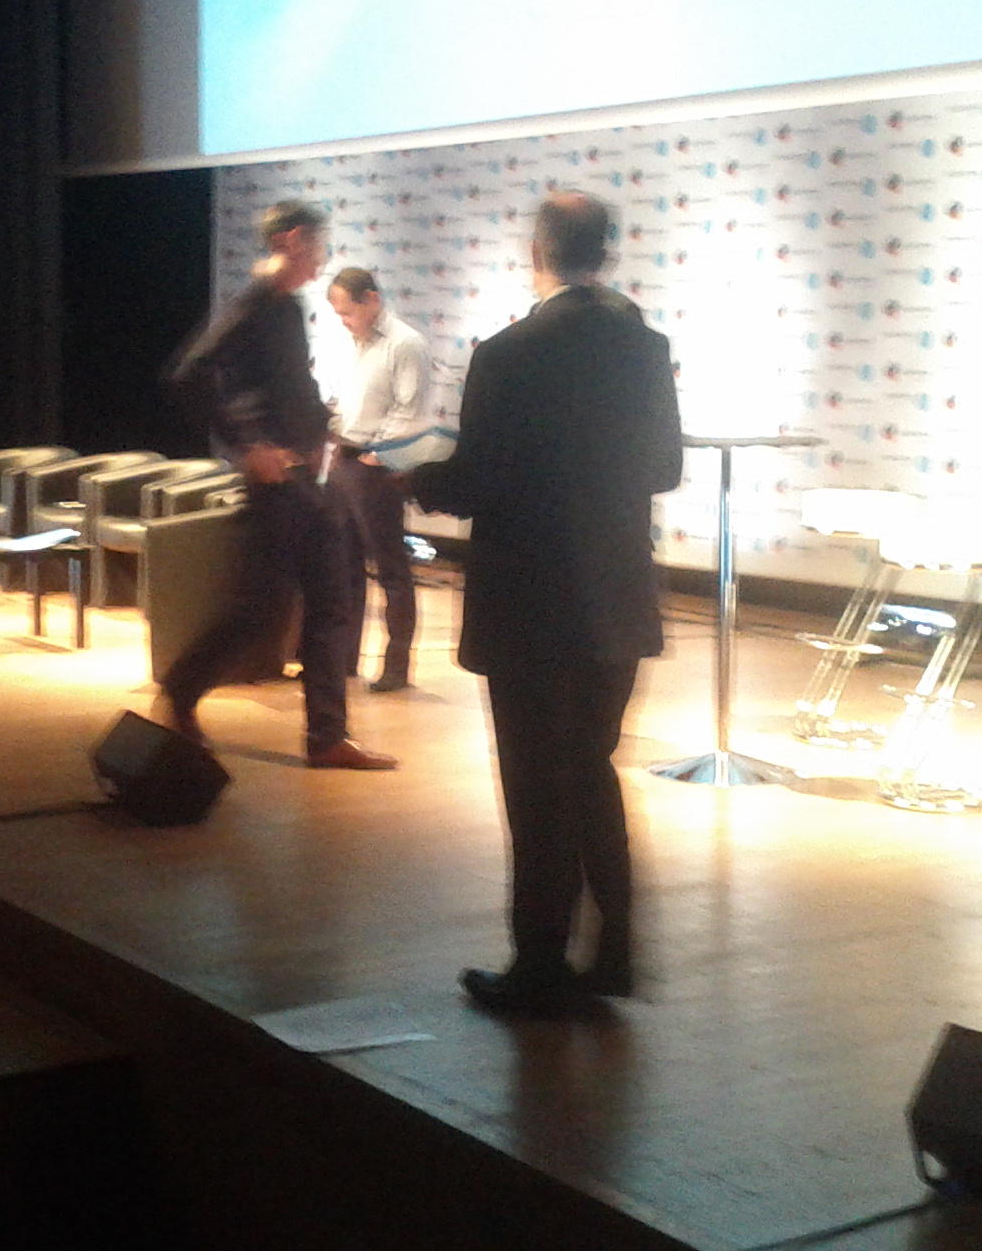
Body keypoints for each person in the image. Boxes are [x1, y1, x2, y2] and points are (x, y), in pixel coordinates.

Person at [411, 191, 684, 1013]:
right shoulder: (645, 347)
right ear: (605, 252)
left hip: (530, 598)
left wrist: (418, 481)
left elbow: (477, 481)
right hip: (615, 595)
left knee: (534, 785)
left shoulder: (507, 353)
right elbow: (665, 469)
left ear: (536, 252)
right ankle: (616, 952)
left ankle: (539, 966)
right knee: (592, 770)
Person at [157, 202, 398, 772]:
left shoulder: (288, 308)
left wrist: (321, 427)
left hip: (308, 484)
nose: (322, 257)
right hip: (276, 489)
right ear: (291, 240)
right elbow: (189, 373)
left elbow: (291, 383)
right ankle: (181, 690)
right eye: (317, 244)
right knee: (259, 612)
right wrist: (246, 446)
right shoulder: (255, 304)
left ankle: (327, 737)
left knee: (333, 604)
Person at [323, 267, 434, 692]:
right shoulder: (351, 344)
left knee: (391, 569)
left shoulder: (405, 344)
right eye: (337, 314)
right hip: (344, 460)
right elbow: (343, 401)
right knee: (343, 567)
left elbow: (411, 409)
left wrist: (377, 455)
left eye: (347, 312)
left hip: (377, 468)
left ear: (371, 299)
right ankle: (344, 659)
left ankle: (396, 667)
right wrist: (332, 433)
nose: (343, 321)